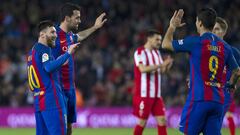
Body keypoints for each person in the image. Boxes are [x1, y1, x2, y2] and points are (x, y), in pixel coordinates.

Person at [162, 8, 240, 135]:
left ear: (199, 23)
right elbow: (237, 71)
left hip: (198, 99)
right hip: (217, 102)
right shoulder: (225, 47)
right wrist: (230, 85)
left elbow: (165, 44)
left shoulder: (195, 42)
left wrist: (172, 26)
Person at [52, 3, 107, 135]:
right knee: (59, 128)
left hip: (70, 88)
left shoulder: (70, 35)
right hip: (58, 89)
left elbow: (79, 36)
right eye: (77, 17)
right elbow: (49, 65)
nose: (80, 20)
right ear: (67, 18)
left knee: (69, 127)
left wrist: (95, 27)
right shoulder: (53, 36)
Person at [27, 20, 79, 135]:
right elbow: (48, 67)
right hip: (52, 100)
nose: (55, 35)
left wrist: (59, 61)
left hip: (39, 101)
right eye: (52, 32)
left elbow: (44, 70)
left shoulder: (32, 52)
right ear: (42, 34)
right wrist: (68, 53)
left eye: (56, 32)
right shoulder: (44, 49)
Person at [133, 30, 173, 135]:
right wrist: (162, 64)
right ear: (149, 39)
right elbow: (142, 69)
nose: (159, 42)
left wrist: (167, 66)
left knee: (162, 120)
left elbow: (161, 71)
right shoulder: (140, 52)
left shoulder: (156, 53)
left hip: (156, 95)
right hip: (144, 94)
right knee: (142, 122)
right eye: (157, 39)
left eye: (160, 40)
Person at [213, 17, 240, 135]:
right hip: (206, 91)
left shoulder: (233, 52)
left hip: (224, 92)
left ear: (223, 32)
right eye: (212, 29)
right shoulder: (206, 49)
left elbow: (238, 71)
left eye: (216, 29)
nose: (213, 32)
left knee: (214, 124)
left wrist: (233, 84)